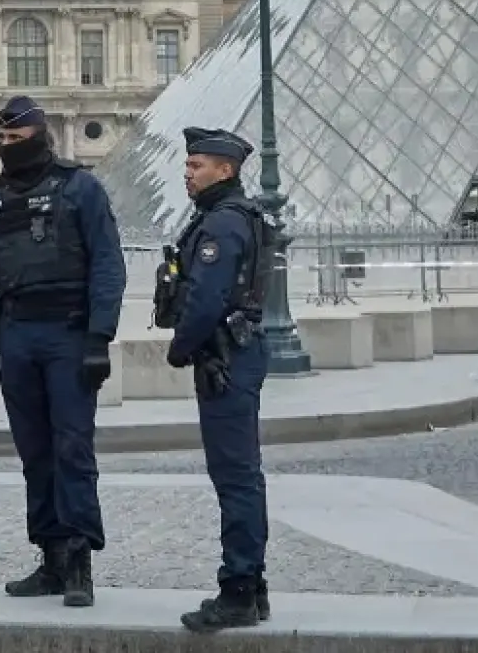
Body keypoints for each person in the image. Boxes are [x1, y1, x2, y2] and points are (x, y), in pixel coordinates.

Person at [0, 95, 126, 608]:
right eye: (3, 139)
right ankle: (51, 557)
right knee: (35, 454)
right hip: (18, 338)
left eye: (17, 138)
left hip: (68, 336)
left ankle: (79, 559)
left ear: (41, 135)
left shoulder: (81, 190)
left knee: (72, 449)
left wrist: (100, 338)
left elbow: (107, 266)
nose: (9, 146)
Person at [166, 127, 271, 633]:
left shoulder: (222, 225)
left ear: (224, 170)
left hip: (225, 359)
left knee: (234, 477)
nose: (187, 174)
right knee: (242, 474)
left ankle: (239, 591)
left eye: (196, 166)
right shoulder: (230, 217)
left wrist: (179, 347)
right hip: (236, 354)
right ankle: (254, 586)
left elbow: (205, 300)